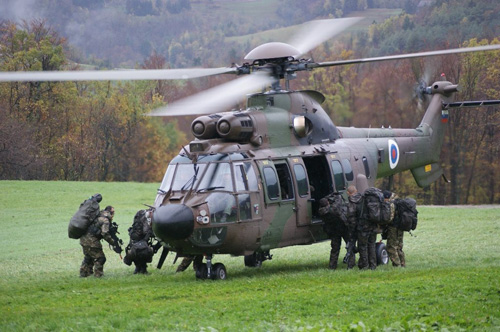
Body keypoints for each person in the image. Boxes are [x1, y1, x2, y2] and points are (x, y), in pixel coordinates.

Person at [79, 205, 118, 277]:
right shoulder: (105, 220)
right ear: (111, 213)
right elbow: (105, 233)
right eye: (113, 212)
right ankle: (98, 275)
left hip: (83, 239)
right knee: (100, 258)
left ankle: (83, 274)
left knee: (89, 257)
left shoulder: (98, 215)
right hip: (91, 241)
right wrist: (113, 242)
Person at [318, 196, 350, 270]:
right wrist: (337, 196)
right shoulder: (332, 209)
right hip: (343, 229)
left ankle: (332, 266)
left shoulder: (321, 211)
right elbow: (338, 204)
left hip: (334, 231)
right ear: (328, 203)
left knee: (335, 249)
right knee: (349, 246)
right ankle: (350, 264)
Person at [124, 210, 155, 274]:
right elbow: (145, 231)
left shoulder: (136, 222)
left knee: (138, 252)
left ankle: (138, 269)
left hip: (134, 245)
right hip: (141, 245)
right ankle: (143, 269)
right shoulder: (144, 221)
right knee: (145, 251)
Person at [356, 188, 377, 270]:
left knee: (363, 247)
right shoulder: (374, 203)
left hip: (363, 228)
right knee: (372, 246)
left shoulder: (361, 203)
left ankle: (365, 265)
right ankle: (373, 265)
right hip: (373, 228)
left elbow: (357, 214)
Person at [383, 190, 405, 267]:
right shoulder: (399, 202)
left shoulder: (391, 204)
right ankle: (402, 263)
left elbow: (390, 218)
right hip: (401, 227)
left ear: (386, 197)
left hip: (393, 228)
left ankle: (397, 265)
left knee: (391, 247)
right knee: (399, 246)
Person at [345, 185, 363, 269]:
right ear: (356, 191)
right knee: (363, 245)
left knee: (351, 245)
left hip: (353, 227)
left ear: (348, 193)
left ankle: (350, 264)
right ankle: (363, 264)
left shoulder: (351, 202)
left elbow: (351, 216)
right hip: (363, 226)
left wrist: (351, 228)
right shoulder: (363, 199)